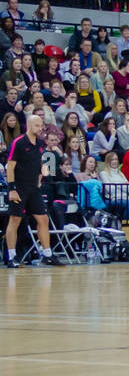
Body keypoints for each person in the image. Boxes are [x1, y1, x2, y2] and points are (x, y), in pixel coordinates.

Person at [5, 112, 62, 267]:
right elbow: (10, 166)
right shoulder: (19, 142)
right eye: (37, 125)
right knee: (15, 220)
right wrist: (12, 188)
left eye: (41, 125)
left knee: (43, 219)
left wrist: (40, 176)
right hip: (19, 187)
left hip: (33, 188)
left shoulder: (39, 144)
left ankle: (47, 254)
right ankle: (11, 257)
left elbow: (39, 164)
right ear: (29, 126)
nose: (40, 128)